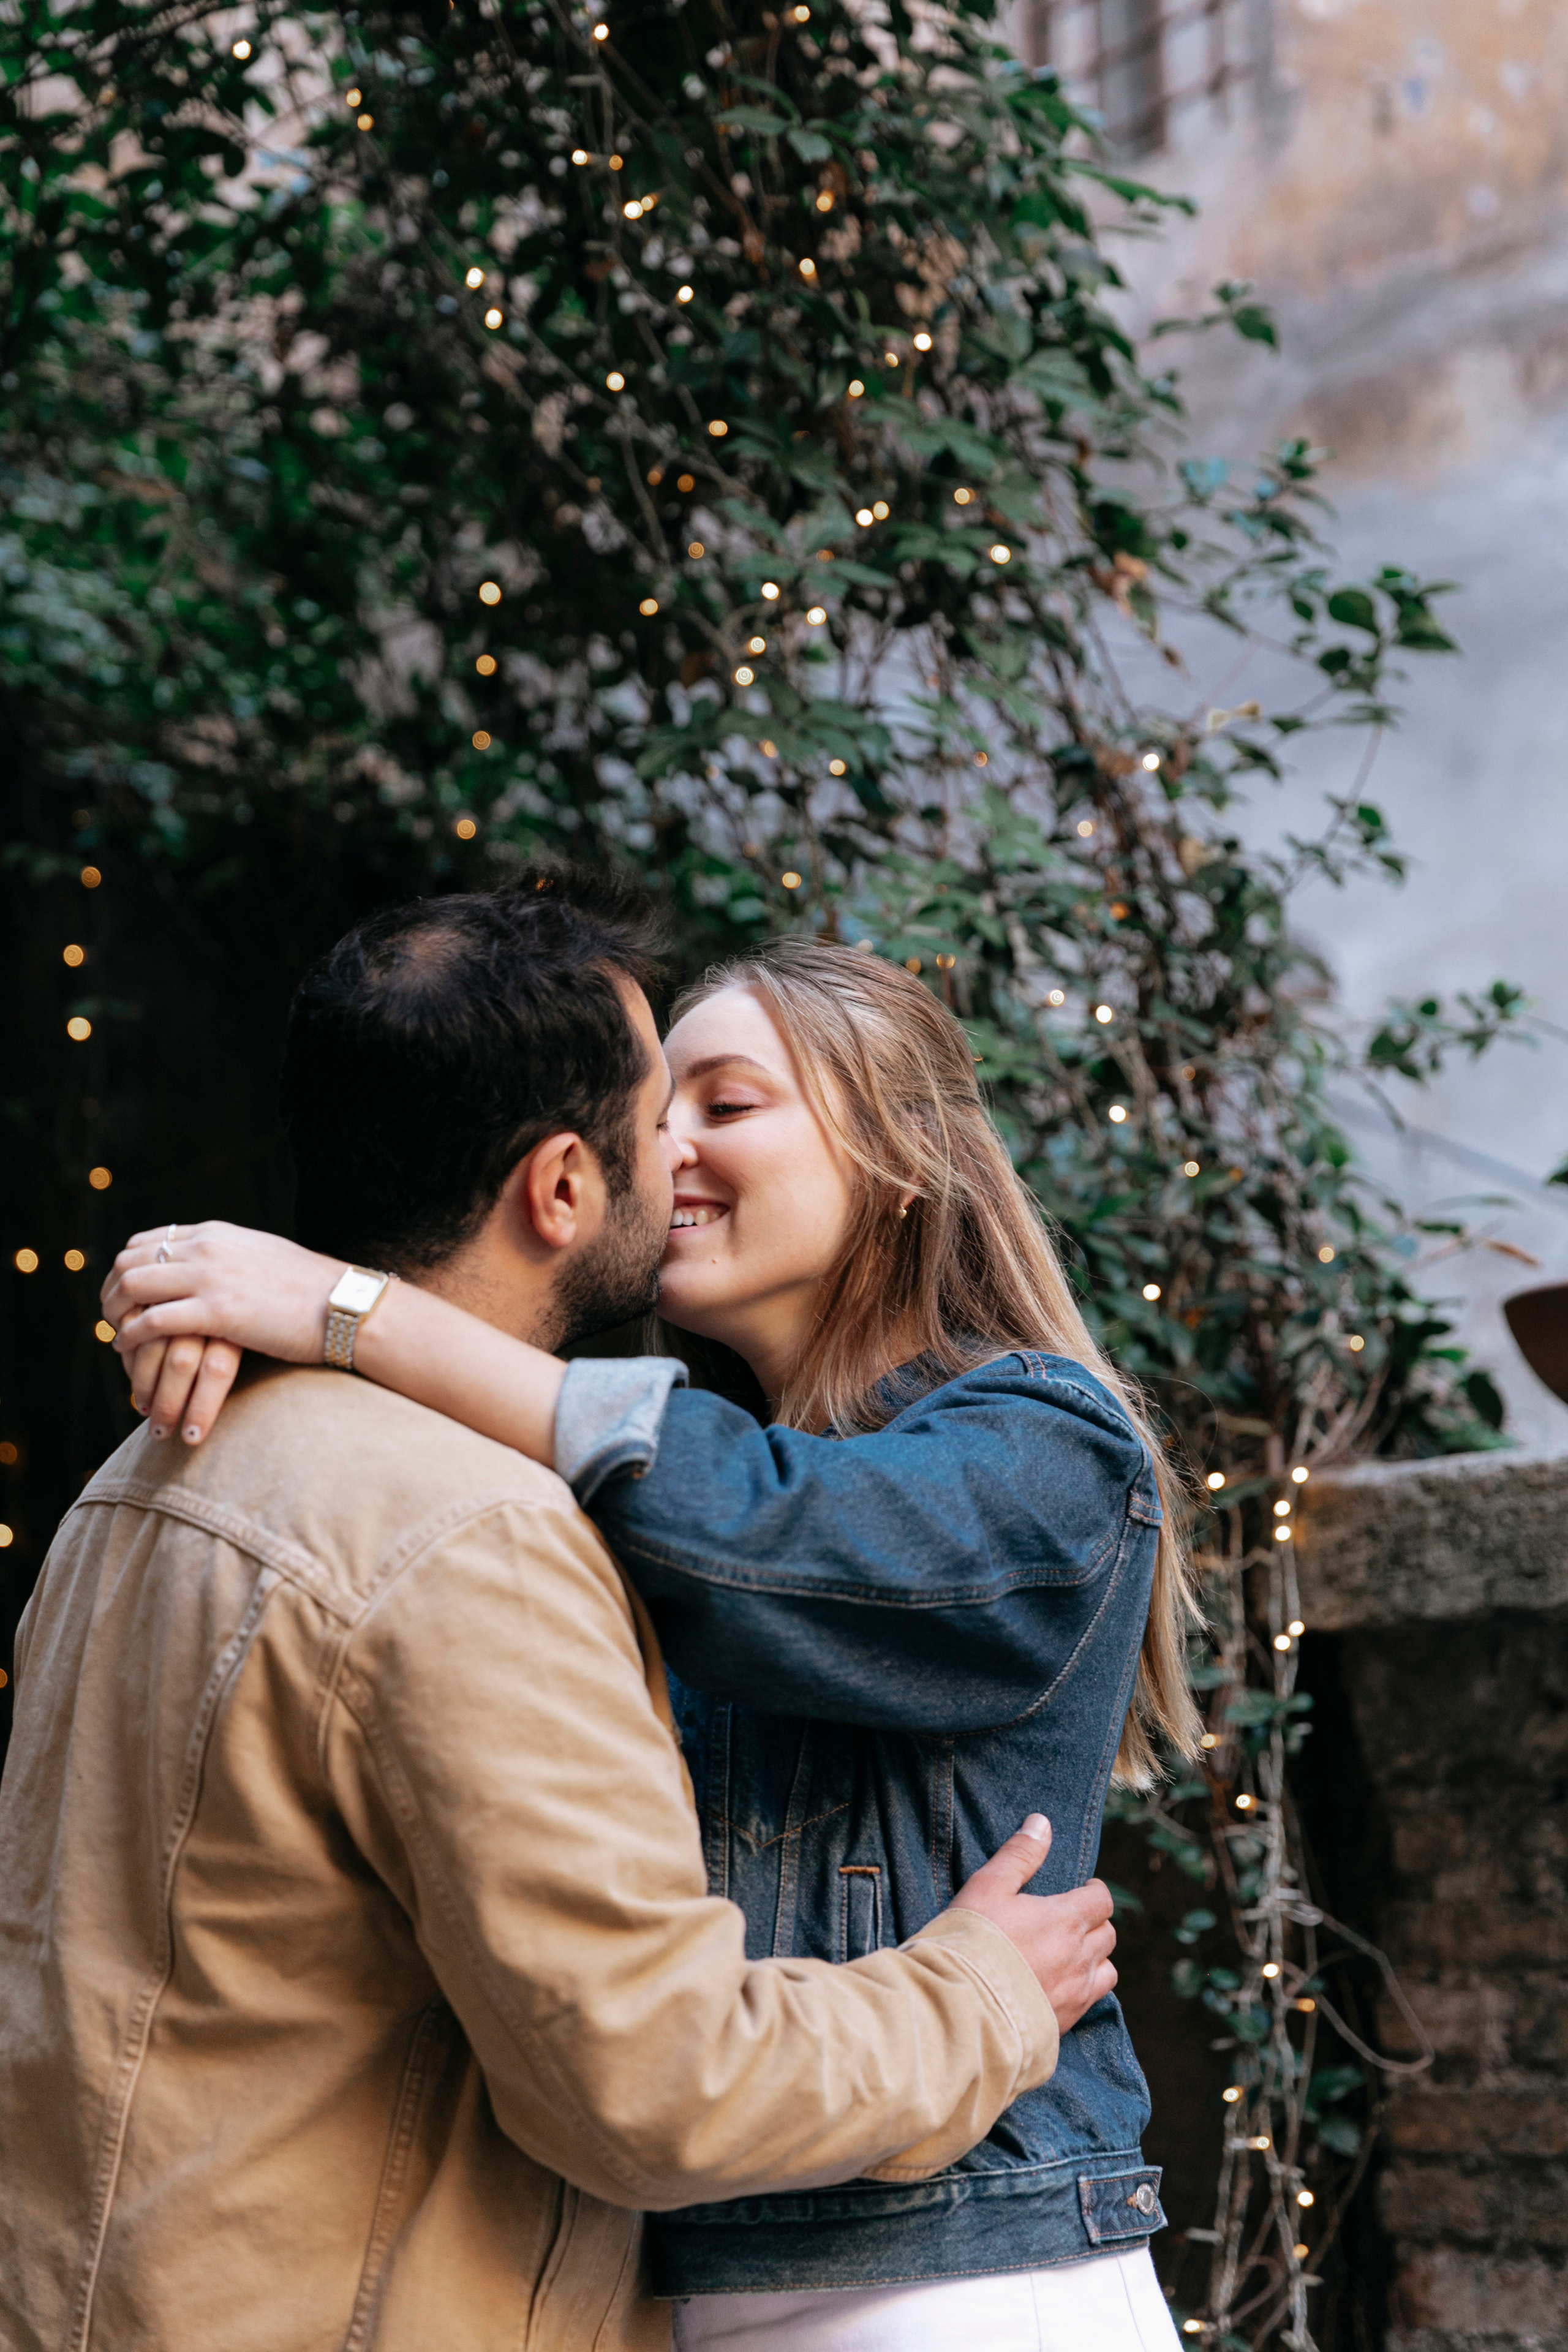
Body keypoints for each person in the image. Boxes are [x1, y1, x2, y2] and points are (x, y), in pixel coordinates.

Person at [0, 875, 1121, 2352]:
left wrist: (342, 1310)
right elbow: (654, 2073)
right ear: (563, 1189)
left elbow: (777, 1530)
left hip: (941, 2271)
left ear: (903, 1159)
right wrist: (975, 1997)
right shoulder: (493, 1527)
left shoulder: (137, 1481)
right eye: (669, 1110)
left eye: (731, 1105)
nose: (678, 1149)